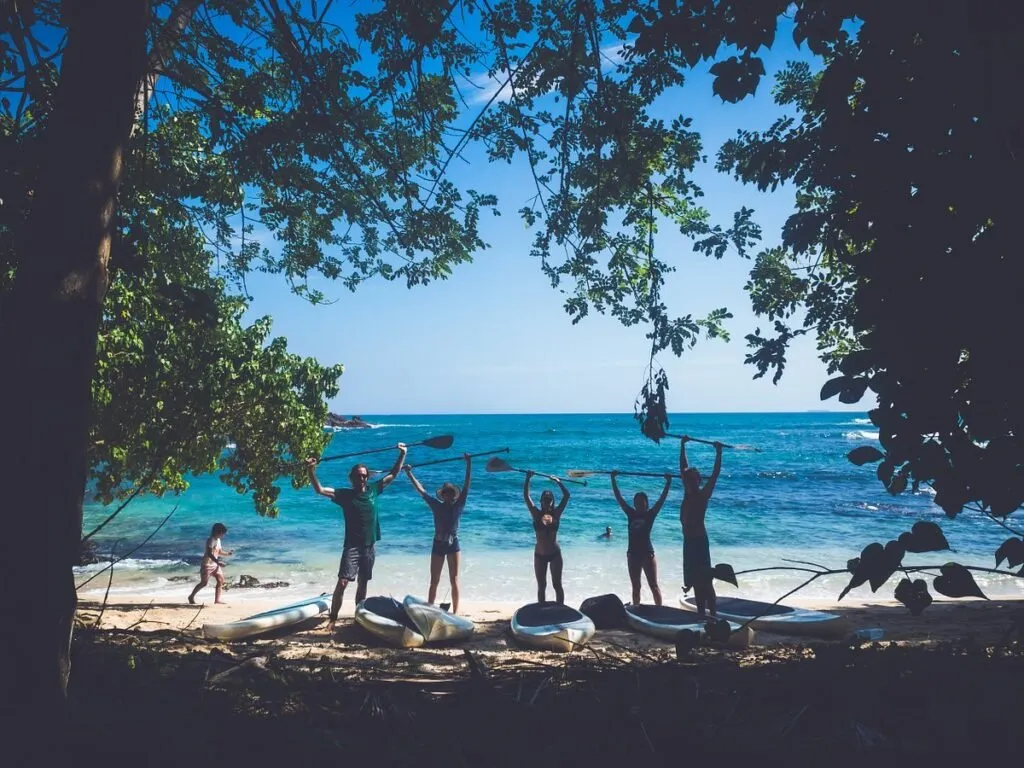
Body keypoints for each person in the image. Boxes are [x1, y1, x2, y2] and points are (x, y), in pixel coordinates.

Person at [306, 443, 407, 630]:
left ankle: (359, 618)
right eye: (358, 476)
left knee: (363, 583)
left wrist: (402, 454)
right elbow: (319, 490)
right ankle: (333, 619)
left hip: (369, 546)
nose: (362, 478)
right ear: (351, 478)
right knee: (343, 582)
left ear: (367, 477)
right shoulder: (345, 495)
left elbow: (393, 474)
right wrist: (311, 470)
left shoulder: (374, 490)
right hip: (352, 546)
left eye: (364, 475)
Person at [403, 454, 472, 614]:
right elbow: (421, 491)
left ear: (454, 494)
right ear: (443, 495)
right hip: (438, 544)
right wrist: (409, 473)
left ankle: (455, 612)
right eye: (446, 492)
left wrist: (469, 463)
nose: (449, 495)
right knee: (434, 581)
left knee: (454, 580)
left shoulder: (459, 505)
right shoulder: (436, 505)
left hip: (453, 544)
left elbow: (467, 484)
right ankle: (429, 610)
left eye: (451, 492)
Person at [611, 471, 673, 606]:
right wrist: (613, 479)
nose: (639, 504)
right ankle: (636, 609)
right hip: (633, 554)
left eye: (641, 501)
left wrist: (668, 483)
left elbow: (661, 500)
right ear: (634, 503)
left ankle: (660, 610)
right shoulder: (630, 513)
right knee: (636, 587)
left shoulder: (650, 515)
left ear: (646, 503)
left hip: (647, 553)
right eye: (636, 501)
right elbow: (619, 498)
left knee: (653, 585)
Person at [679, 436, 724, 617]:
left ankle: (712, 612)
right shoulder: (688, 493)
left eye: (691, 480)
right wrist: (682, 445)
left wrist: (718, 452)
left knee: (705, 580)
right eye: (686, 480)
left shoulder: (702, 494)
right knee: (695, 581)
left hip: (698, 542)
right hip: (688, 542)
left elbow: (715, 474)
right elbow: (683, 467)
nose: (687, 482)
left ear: (697, 481)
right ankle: (700, 613)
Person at [523, 470, 570, 604]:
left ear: (552, 501)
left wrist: (558, 482)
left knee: (557, 585)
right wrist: (528, 479)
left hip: (555, 554)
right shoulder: (536, 514)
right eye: (545, 500)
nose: (547, 502)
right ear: (541, 501)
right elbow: (526, 497)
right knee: (541, 587)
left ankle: (560, 609)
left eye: (549, 500)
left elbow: (567, 496)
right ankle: (542, 610)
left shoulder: (556, 513)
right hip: (539, 555)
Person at [188, 523, 232, 605]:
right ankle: (191, 596)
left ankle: (217, 600)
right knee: (204, 583)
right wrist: (218, 562)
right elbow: (209, 553)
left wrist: (227, 554)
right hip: (207, 565)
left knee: (220, 579)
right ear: (217, 532)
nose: (223, 535)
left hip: (215, 564)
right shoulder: (211, 540)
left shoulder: (218, 540)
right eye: (222, 533)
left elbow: (219, 552)